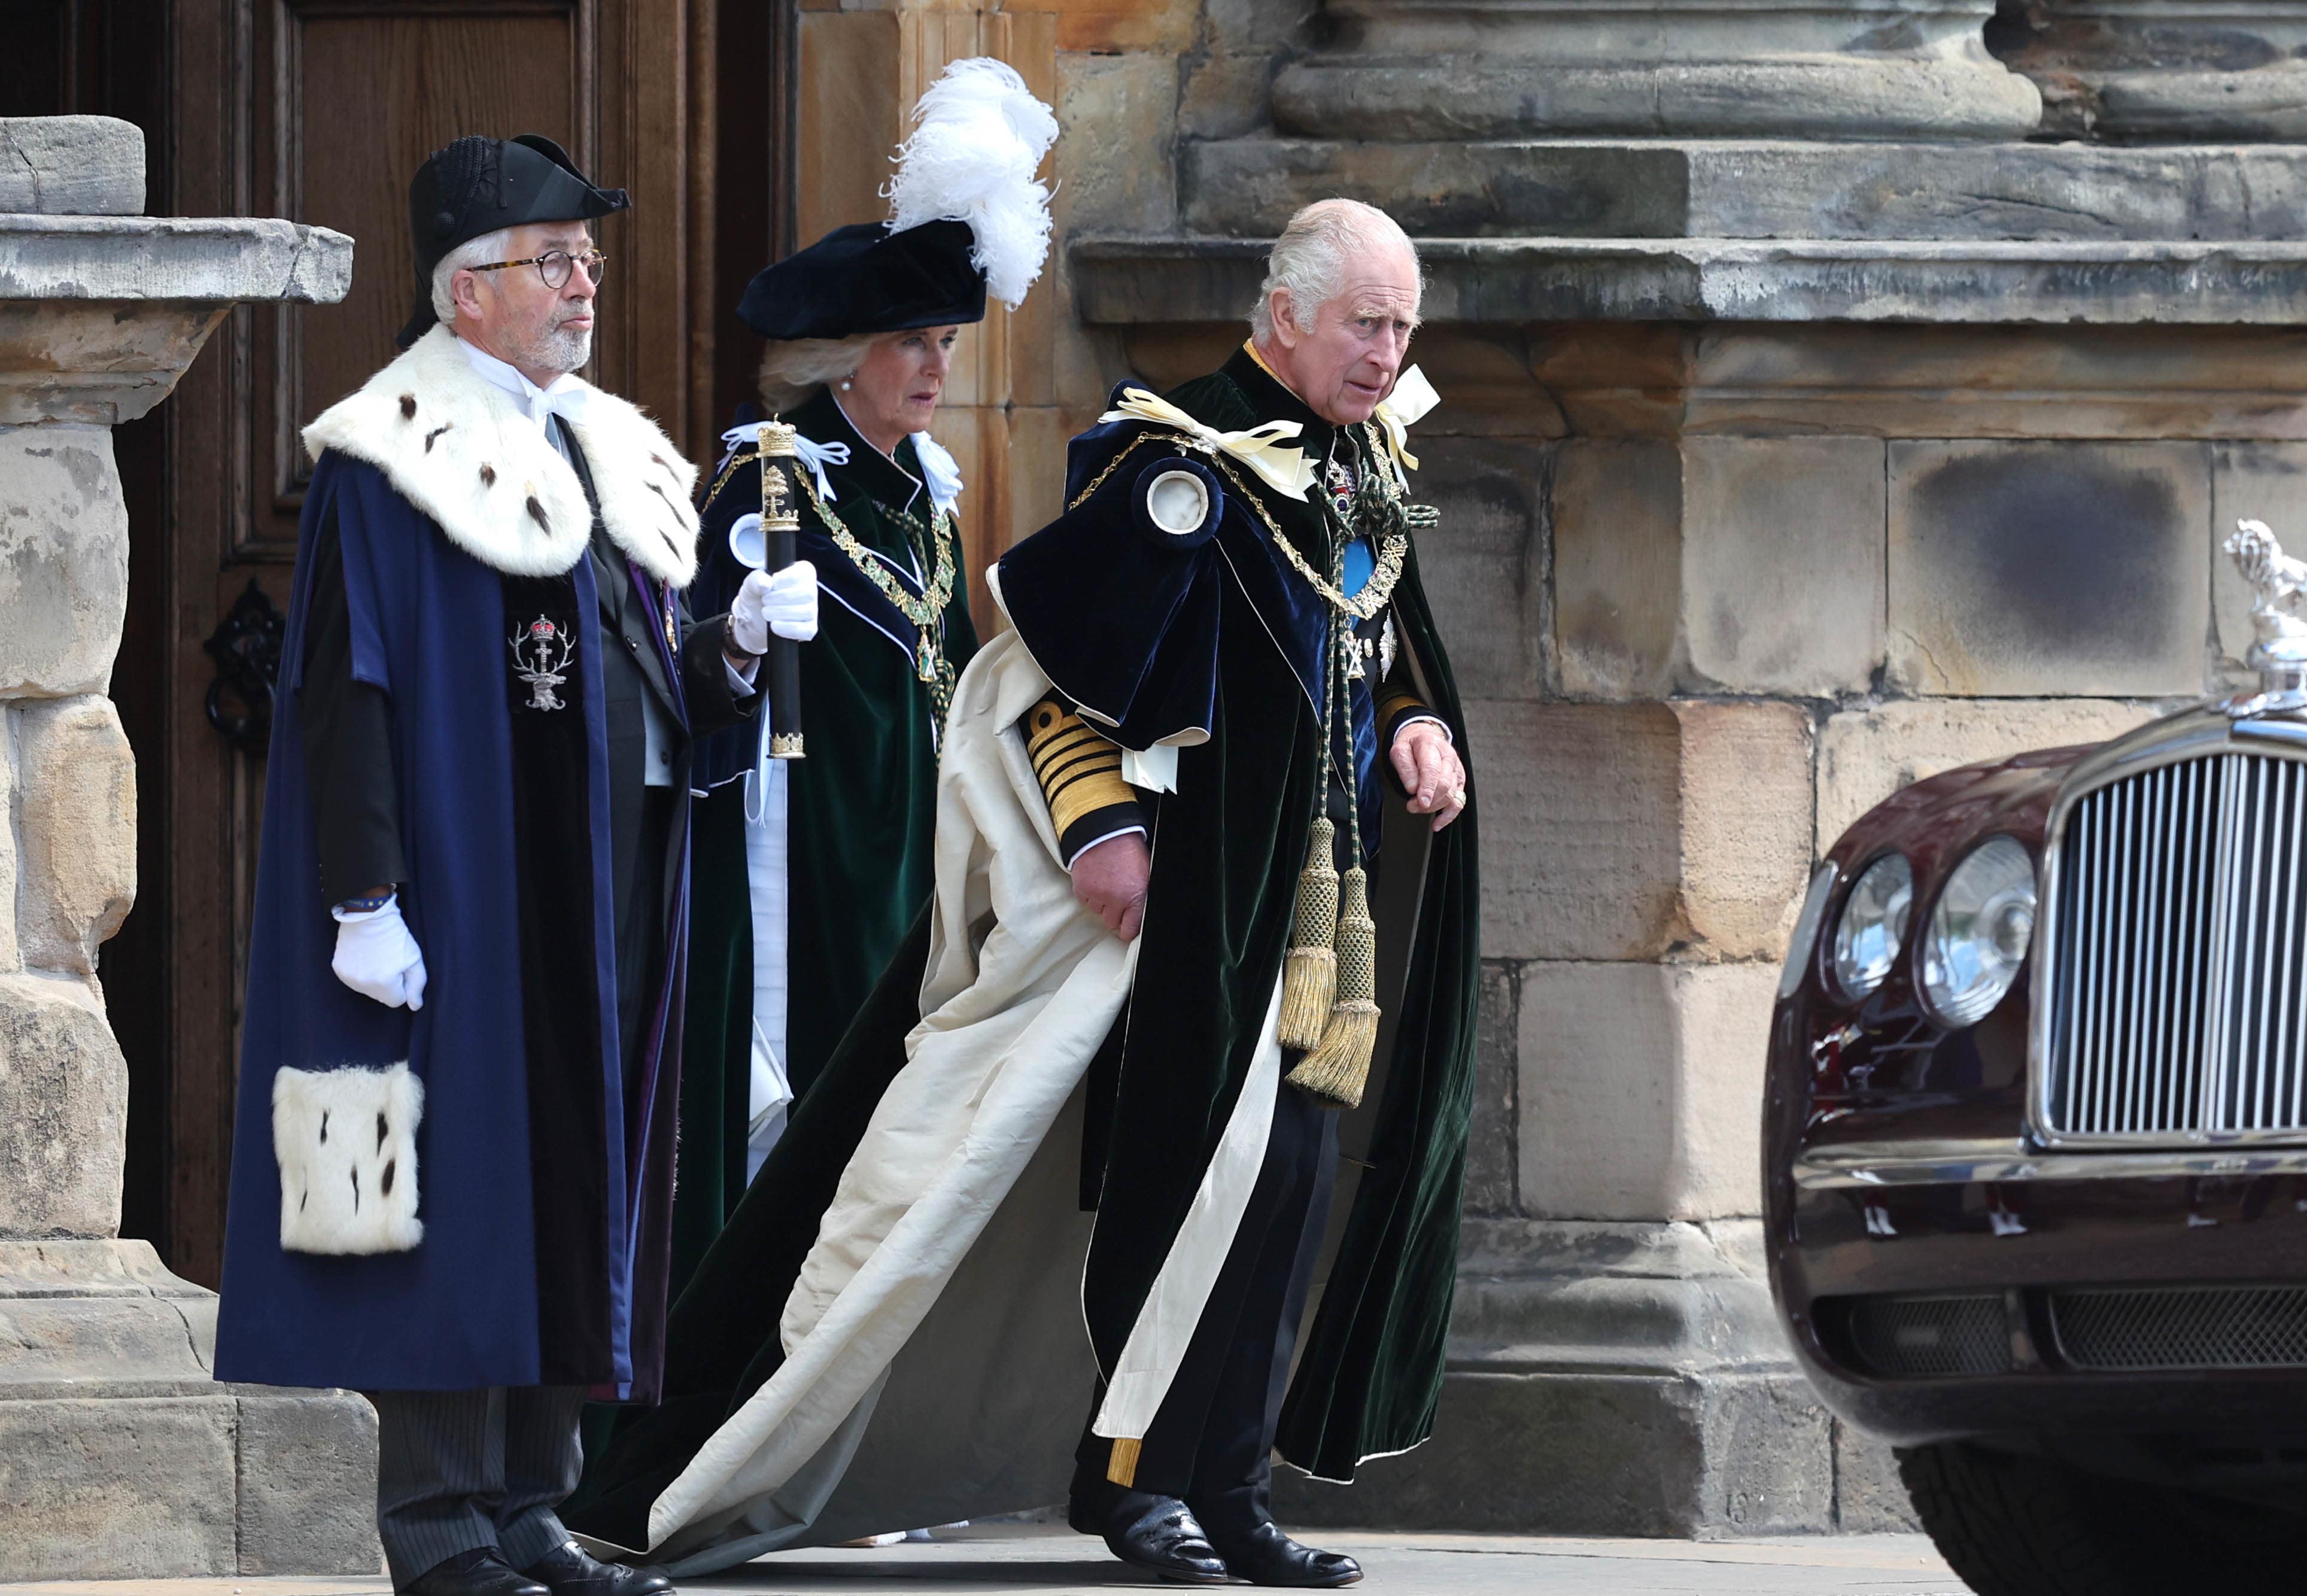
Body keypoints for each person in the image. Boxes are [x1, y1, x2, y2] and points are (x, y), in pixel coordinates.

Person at [565, 196, 1478, 1591]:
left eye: (1403, 324)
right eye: (1366, 321)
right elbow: (1049, 669)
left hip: (1310, 906)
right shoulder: (1176, 459)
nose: (1386, 349)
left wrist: (1415, 723)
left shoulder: (1360, 463)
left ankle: (1230, 1486)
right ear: (1285, 315)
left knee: (1288, 1194)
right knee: (1183, 1192)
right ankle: (1128, 1481)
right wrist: (1101, 826)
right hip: (1185, 911)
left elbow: (1377, 634)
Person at [210, 133, 818, 1596]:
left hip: (601, 881)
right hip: (467, 887)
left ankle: (534, 1500)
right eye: (556, 260)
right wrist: (363, 895)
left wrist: (728, 644)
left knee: (577, 1171)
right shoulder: (387, 451)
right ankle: (436, 1524)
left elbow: (638, 669)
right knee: (454, 1189)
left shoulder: (594, 442)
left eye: (588, 260)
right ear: (466, 292)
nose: (584, 283)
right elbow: (349, 684)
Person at [667, 57, 1044, 1279]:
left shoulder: (922, 497)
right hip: (806, 857)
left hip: (909, 859)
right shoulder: (768, 488)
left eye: (941, 342)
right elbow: (697, 694)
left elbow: (954, 671)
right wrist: (734, 639)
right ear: (839, 357)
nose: (933, 368)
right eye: (908, 344)